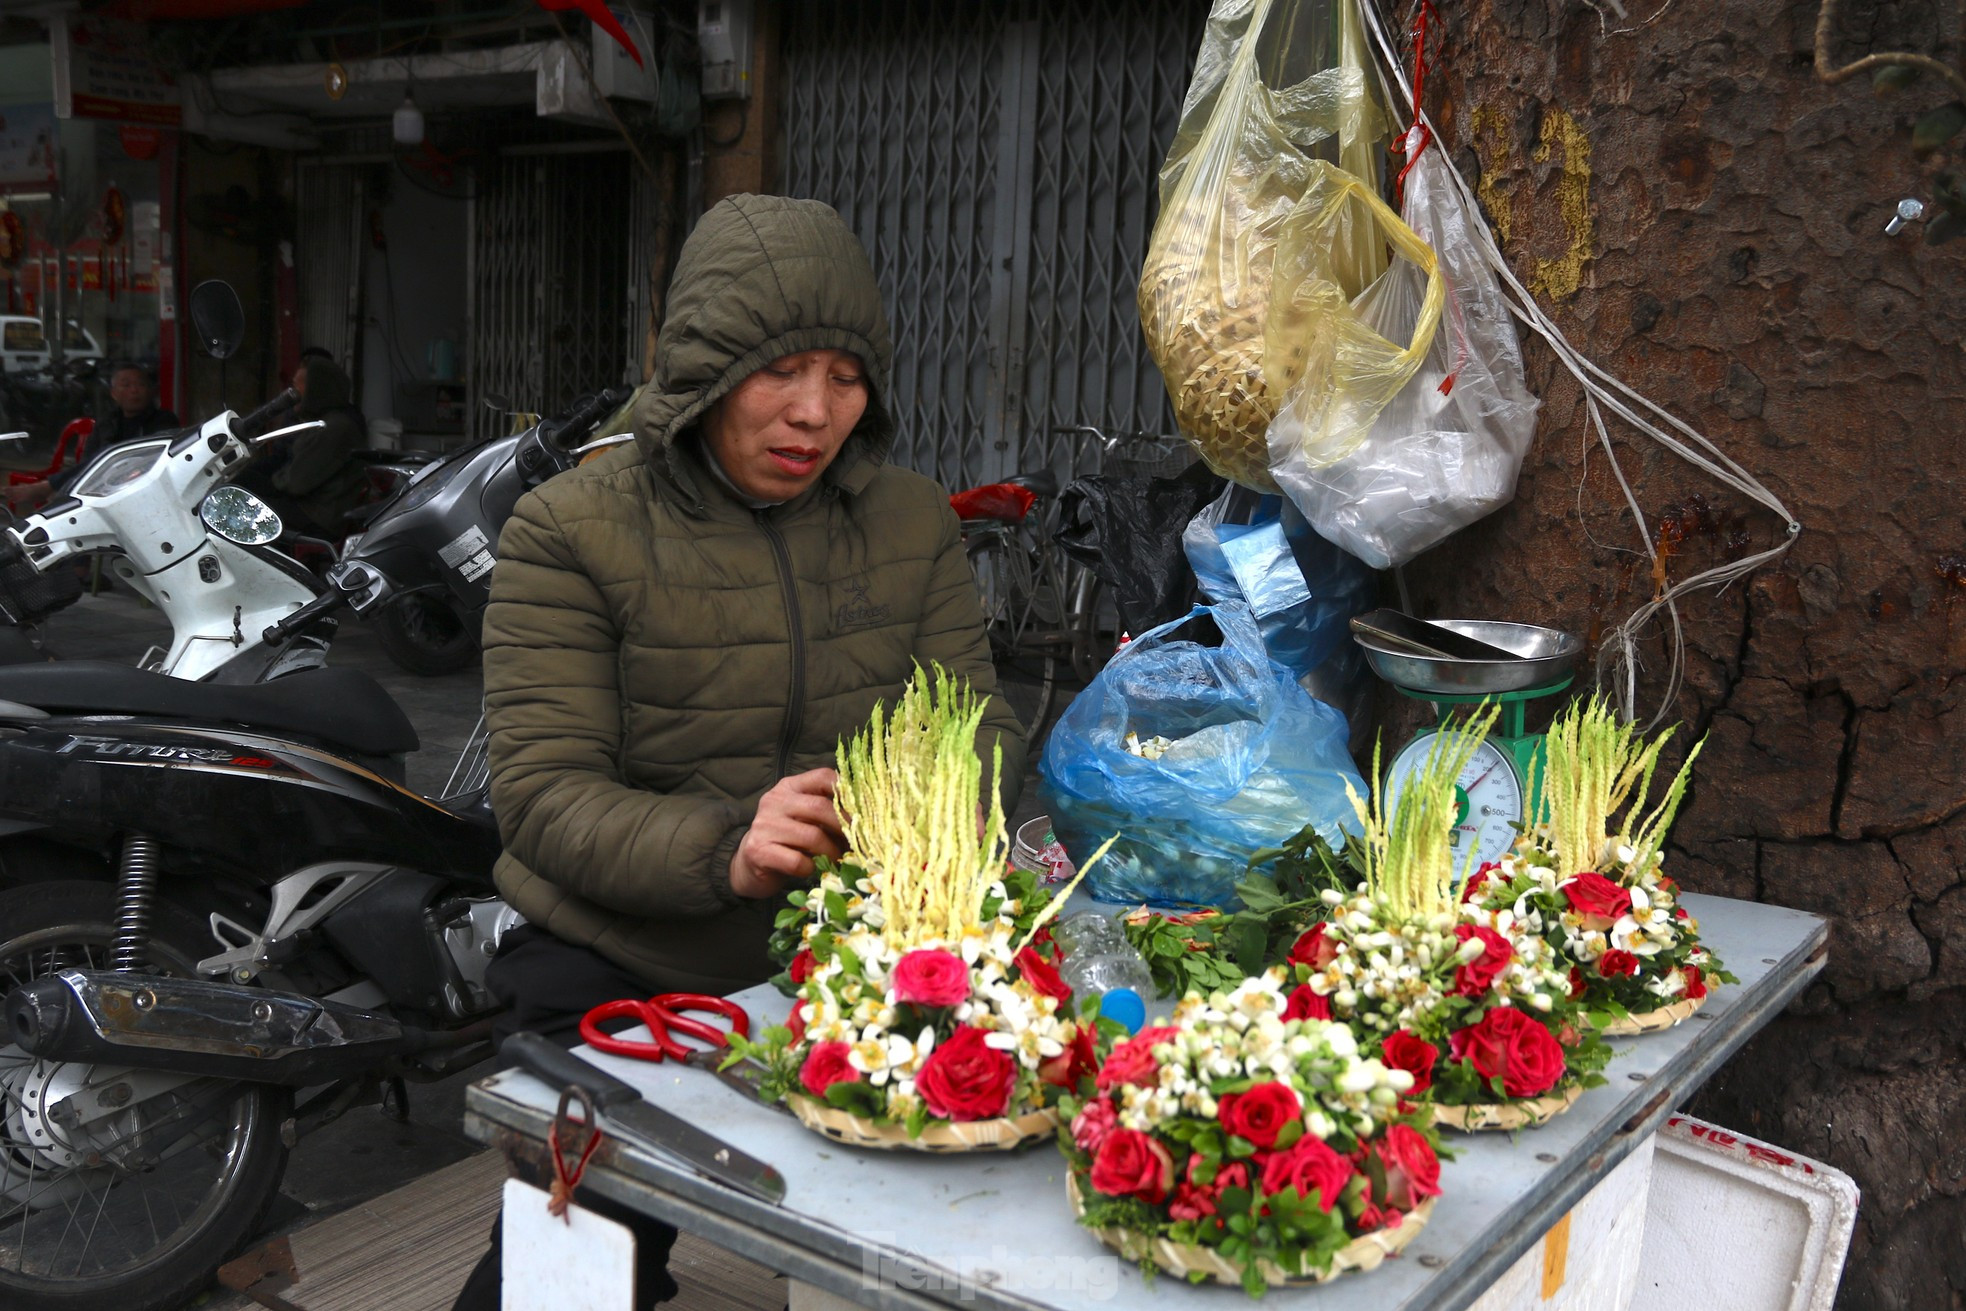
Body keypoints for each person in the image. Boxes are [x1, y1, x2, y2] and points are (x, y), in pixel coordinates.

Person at [449, 194, 1025, 1309]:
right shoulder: (571, 528)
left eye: (846, 379)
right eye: (779, 373)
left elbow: (982, 732)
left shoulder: (909, 521)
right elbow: (543, 794)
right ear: (706, 372)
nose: (813, 413)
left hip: (848, 957)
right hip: (620, 964)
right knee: (578, 1261)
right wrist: (729, 847)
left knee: (930, 1236)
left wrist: (908, 812)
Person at [3, 362, 180, 507]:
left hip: (139, 486)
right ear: (114, 394)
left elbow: (149, 460)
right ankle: (58, 490)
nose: (134, 390)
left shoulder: (164, 420)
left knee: (109, 455)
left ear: (151, 391)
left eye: (140, 385)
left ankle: (50, 487)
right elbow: (88, 460)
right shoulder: (107, 421)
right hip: (100, 486)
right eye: (126, 385)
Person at [256, 353, 368, 537]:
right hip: (312, 508)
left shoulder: (335, 427)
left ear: (316, 389)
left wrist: (271, 481)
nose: (292, 392)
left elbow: (296, 483)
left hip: (319, 516)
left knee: (245, 507)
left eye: (298, 385)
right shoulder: (323, 421)